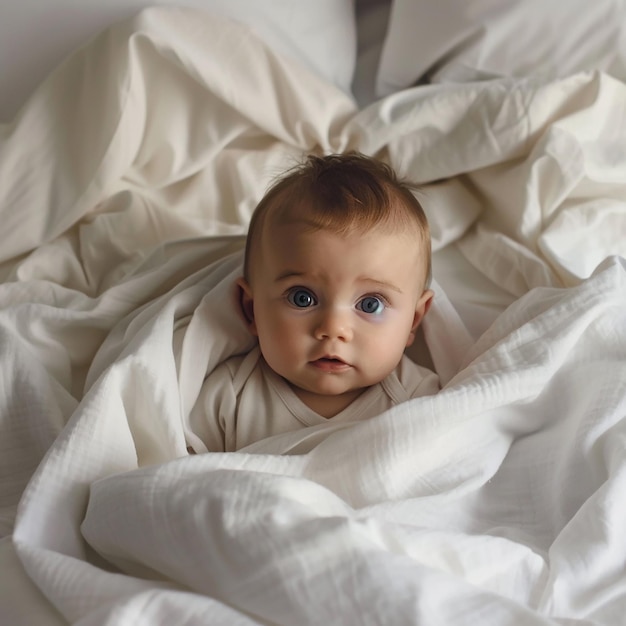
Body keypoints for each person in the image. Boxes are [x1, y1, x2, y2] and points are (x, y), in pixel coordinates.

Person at [188, 152, 439, 453]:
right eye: (302, 298)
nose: (334, 329)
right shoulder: (229, 397)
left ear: (413, 320)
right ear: (250, 308)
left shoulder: (419, 401)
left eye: (370, 304)